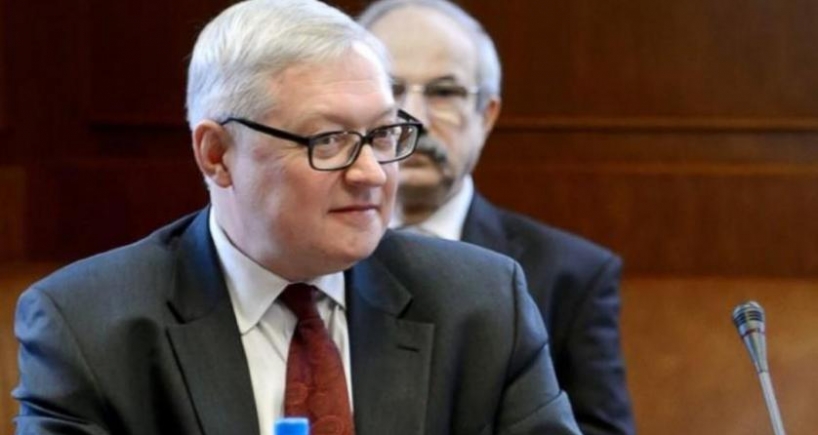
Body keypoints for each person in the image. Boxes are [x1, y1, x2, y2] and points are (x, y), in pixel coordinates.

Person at [12, 1, 582, 435]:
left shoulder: (481, 303)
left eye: (383, 134)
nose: (373, 173)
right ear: (217, 154)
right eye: (328, 140)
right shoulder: (87, 325)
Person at [357, 2, 636, 434]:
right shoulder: (316, 256)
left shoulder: (570, 275)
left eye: (443, 92)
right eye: (391, 90)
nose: (415, 118)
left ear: (486, 115)